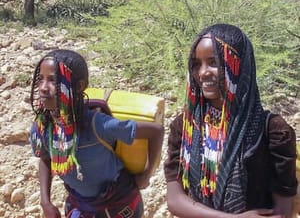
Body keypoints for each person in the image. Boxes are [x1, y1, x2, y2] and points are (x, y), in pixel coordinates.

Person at [164, 24, 298, 218]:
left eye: (213, 62)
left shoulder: (272, 130)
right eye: (196, 63)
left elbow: (282, 210)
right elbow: (175, 200)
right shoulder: (186, 126)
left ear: (239, 65)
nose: (202, 72)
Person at [29, 49, 164, 218]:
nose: (42, 88)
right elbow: (45, 158)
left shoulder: (97, 124)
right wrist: (45, 202)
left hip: (120, 206)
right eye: (40, 79)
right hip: (80, 205)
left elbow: (156, 131)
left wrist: (146, 175)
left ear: (79, 87)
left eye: (53, 80)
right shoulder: (43, 127)